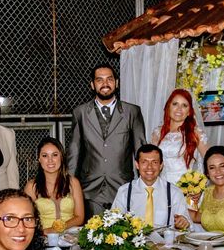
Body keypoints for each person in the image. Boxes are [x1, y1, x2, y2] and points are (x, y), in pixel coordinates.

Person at [67, 62, 146, 217]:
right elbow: (74, 153)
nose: (105, 84)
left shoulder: (132, 112)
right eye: (99, 80)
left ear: (116, 83)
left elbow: (141, 150)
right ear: (92, 85)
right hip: (90, 191)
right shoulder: (80, 113)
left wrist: (145, 185)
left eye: (109, 79)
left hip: (122, 188)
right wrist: (68, 188)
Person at [112, 144, 191, 229]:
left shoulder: (174, 193)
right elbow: (113, 224)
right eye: (144, 162)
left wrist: (183, 222)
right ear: (137, 165)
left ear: (161, 165)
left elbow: (186, 224)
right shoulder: (125, 192)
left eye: (155, 162)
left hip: (165, 241)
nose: (149, 167)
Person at [24, 137, 85, 234]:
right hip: (44, 237)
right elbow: (26, 219)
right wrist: (43, 233)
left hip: (70, 237)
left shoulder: (73, 183)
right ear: (39, 159)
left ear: (61, 157)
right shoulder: (31, 186)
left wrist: (56, 229)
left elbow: (80, 217)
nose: (50, 160)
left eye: (55, 155)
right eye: (45, 156)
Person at [151, 89, 208, 184]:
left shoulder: (196, 133)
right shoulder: (157, 133)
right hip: (163, 187)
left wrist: (199, 186)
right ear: (168, 106)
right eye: (175, 104)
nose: (179, 109)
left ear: (189, 111)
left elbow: (210, 161)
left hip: (187, 189)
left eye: (184, 105)